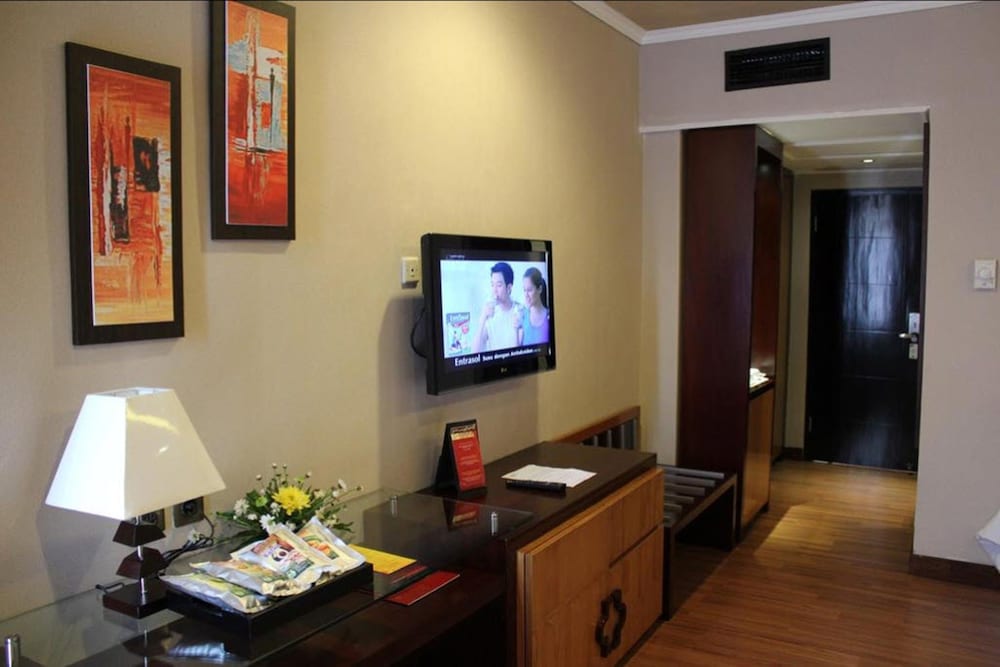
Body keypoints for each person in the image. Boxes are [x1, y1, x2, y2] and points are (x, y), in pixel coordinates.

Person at [473, 262, 523, 352]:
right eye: (492, 285)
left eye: (499, 285)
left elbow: (521, 352)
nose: (494, 290)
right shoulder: (489, 313)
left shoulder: (520, 311)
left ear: (509, 288)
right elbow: (475, 352)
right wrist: (483, 317)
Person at [521, 267, 549, 345]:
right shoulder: (522, 315)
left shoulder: (549, 317)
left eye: (529, 290)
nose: (526, 295)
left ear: (539, 289)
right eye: (524, 290)